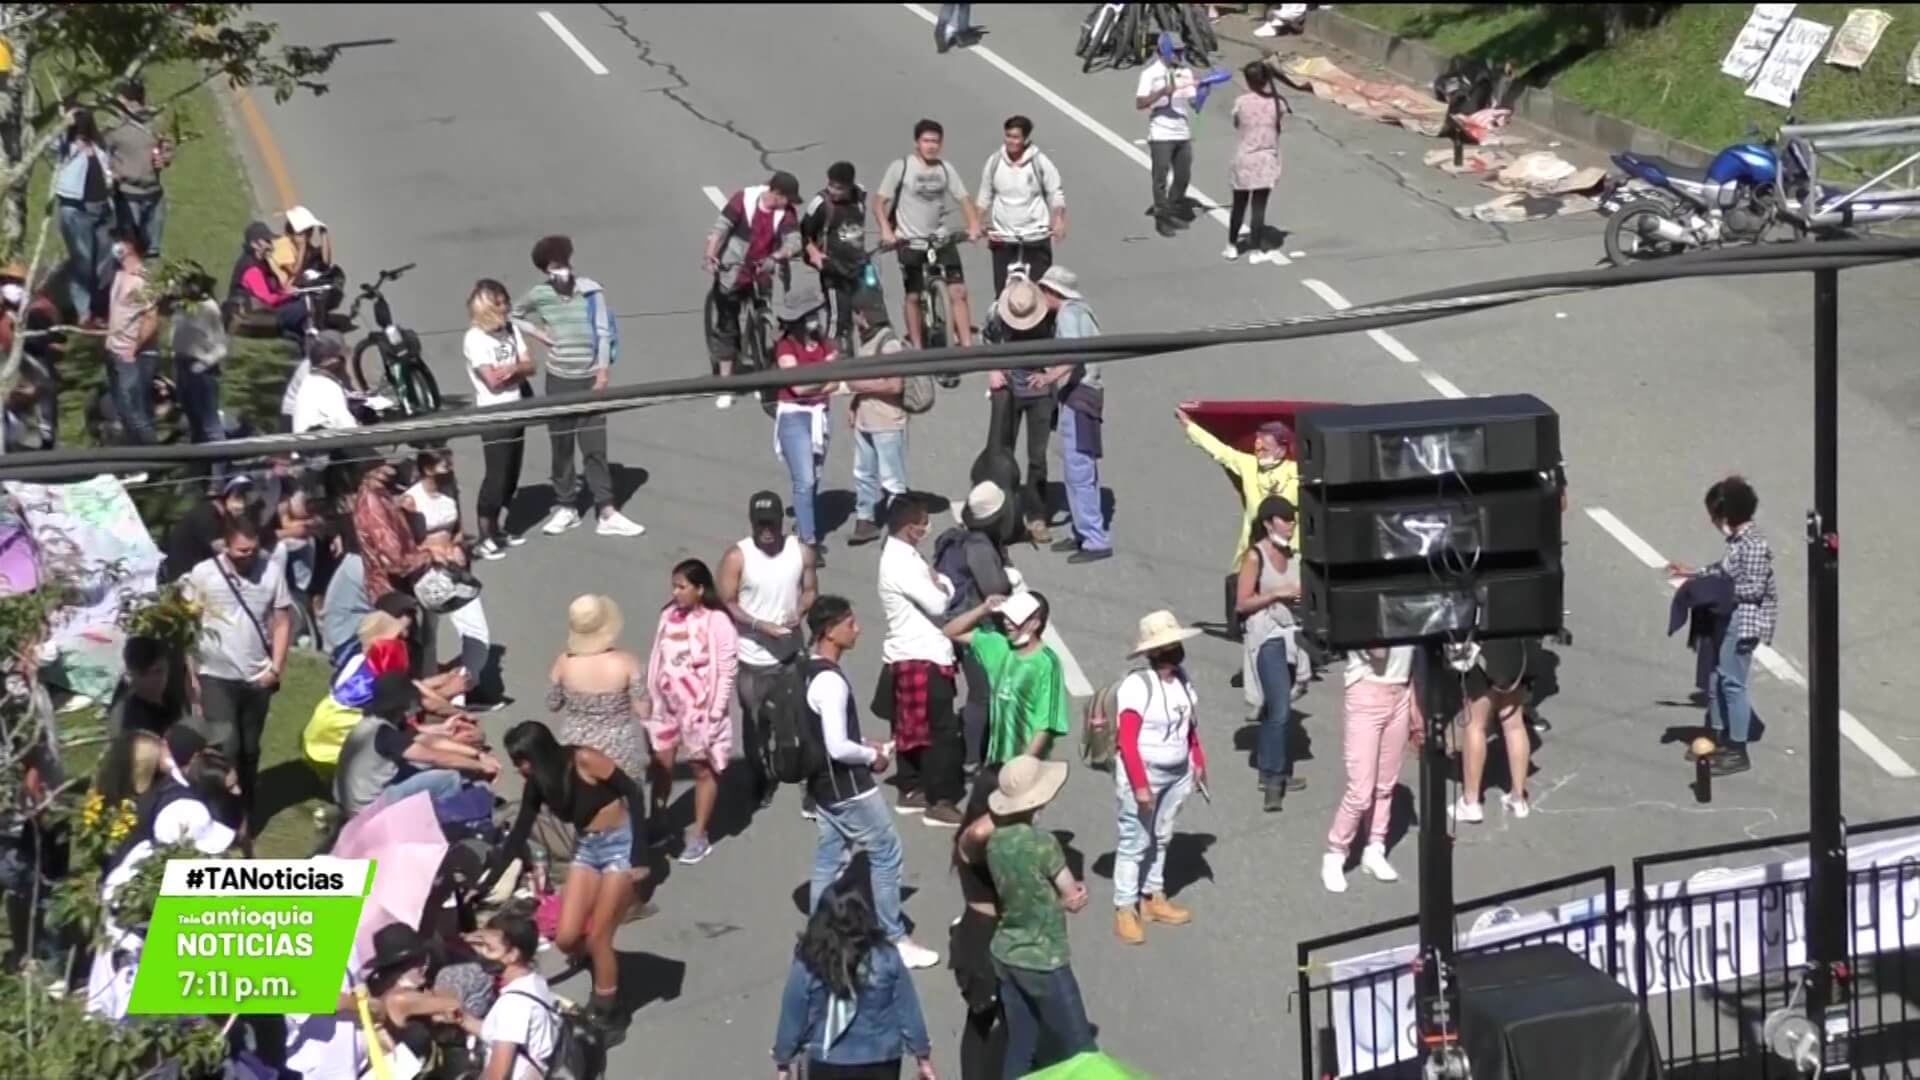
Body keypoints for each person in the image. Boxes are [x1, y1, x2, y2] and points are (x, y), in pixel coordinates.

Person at [802, 595, 942, 970]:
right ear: (829, 632)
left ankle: (818, 935)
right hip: (850, 788)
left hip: (822, 787)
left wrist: (864, 743)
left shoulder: (806, 670)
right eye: (850, 623)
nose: (857, 628)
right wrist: (872, 756)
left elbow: (823, 734)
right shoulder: (831, 682)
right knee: (886, 853)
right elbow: (836, 745)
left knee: (829, 861)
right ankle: (893, 937)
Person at [486, 720, 648, 1034]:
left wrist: (640, 854)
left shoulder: (584, 760)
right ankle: (604, 967)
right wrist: (490, 878)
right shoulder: (539, 782)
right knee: (567, 937)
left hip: (620, 844)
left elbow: (633, 792)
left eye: (522, 760)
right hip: (587, 848)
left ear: (540, 753)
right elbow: (520, 829)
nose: (519, 768)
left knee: (600, 936)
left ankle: (610, 1010)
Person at [515, 235, 644, 538]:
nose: (559, 271)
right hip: (558, 379)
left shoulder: (590, 290)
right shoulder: (539, 294)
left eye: (562, 264)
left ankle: (607, 509)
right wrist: (539, 333)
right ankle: (566, 506)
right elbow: (514, 314)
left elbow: (602, 332)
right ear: (545, 271)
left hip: (589, 379)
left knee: (594, 447)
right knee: (561, 445)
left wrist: (602, 373)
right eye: (552, 268)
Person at [985, 755, 1095, 1074]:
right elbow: (1070, 895)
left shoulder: (995, 843)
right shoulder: (1043, 844)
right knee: (1082, 1050)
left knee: (1021, 1043)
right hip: (1044, 958)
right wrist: (1075, 897)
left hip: (1006, 952)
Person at [180, 515, 291, 829]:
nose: (249, 556)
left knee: (250, 748)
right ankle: (221, 816)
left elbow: (281, 620)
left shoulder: (271, 571)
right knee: (226, 746)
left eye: (253, 549)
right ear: (225, 546)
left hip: (258, 675)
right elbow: (188, 624)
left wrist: (277, 667)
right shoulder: (203, 574)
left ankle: (247, 812)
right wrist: (191, 675)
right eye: (242, 550)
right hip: (215, 672)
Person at [772, 873, 937, 1080]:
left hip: (826, 1059)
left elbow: (793, 1013)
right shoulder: (886, 957)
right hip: (880, 1058)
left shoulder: (808, 961)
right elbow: (908, 1010)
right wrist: (922, 1056)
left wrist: (783, 1060)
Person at [1666, 475, 1776, 778]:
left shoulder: (1754, 545)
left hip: (1742, 619)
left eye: (1715, 516)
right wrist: (1695, 574)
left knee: (1732, 683)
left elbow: (1753, 588)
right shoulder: (1738, 542)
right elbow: (1723, 569)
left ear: (1726, 516)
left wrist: (1713, 590)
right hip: (1726, 616)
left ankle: (1737, 748)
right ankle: (1716, 734)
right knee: (1715, 678)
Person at [720, 491, 819, 810]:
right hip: (752, 660)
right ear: (752, 523)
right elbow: (727, 602)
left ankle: (809, 784)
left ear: (781, 522)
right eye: (760, 524)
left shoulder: (800, 551)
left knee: (802, 724)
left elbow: (811, 590)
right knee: (756, 728)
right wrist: (759, 625)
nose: (767, 530)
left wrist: (800, 612)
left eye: (772, 524)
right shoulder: (738, 557)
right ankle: (762, 779)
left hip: (791, 656)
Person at [1112, 610, 1206, 944]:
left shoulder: (1182, 679)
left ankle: (1152, 897)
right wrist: (1139, 785)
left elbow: (1188, 726)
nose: (1175, 649)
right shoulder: (1137, 685)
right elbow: (1126, 740)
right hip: (1146, 775)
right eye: (1168, 645)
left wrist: (1197, 759)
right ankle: (1125, 907)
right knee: (1135, 841)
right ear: (1153, 651)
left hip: (1177, 773)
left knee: (1162, 836)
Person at [875, 496, 969, 827]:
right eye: (923, 522)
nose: (927, 527)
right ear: (910, 528)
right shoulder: (900, 563)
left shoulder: (904, 554)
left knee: (908, 726)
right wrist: (941, 584)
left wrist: (938, 581)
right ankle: (940, 800)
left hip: (913, 655)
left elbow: (939, 583)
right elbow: (938, 601)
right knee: (940, 732)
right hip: (922, 656)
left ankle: (911, 787)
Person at [643, 559, 739, 865]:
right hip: (666, 705)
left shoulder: (718, 622)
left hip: (700, 709)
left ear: (700, 589)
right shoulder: (667, 615)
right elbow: (657, 656)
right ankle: (657, 820)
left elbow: (726, 670)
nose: (676, 592)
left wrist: (716, 710)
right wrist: (650, 695)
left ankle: (699, 834)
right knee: (661, 763)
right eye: (674, 586)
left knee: (702, 767)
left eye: (682, 587)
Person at [1175, 405, 1299, 630]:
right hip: (1253, 543)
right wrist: (1189, 426)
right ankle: (1241, 625)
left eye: (1265, 447)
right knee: (1242, 582)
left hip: (1290, 547)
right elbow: (1220, 451)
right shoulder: (1248, 464)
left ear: (1281, 450)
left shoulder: (1297, 472)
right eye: (1257, 446)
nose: (1258, 450)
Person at [947, 590, 1068, 809]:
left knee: (1012, 831)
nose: (1008, 623)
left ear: (1034, 624)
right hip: (993, 763)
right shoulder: (998, 645)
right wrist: (983, 608)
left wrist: (1024, 766)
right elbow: (951, 631)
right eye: (1006, 616)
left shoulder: (1047, 664)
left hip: (1025, 765)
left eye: (1015, 619)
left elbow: (1046, 723)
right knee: (973, 832)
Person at [876, 120, 982, 351]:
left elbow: (963, 199)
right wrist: (886, 230)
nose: (931, 146)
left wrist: (973, 225)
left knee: (958, 291)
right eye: (926, 141)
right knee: (913, 296)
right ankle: (917, 346)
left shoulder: (945, 169)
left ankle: (967, 346)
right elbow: (879, 202)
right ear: (917, 143)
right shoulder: (901, 167)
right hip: (910, 241)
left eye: (935, 141)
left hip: (940, 239)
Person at [1322, 646, 1419, 893]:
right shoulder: (1365, 606)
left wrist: (1415, 702)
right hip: (1366, 691)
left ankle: (1375, 848)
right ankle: (1335, 854)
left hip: (1401, 691)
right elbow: (1379, 652)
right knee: (1360, 791)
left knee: (1386, 785)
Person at [703, 171, 803, 410]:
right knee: (727, 326)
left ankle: (760, 378)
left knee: (763, 326)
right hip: (733, 271)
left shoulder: (785, 213)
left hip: (761, 273)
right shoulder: (744, 200)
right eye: (787, 198)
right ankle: (727, 385)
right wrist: (710, 255)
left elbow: (794, 241)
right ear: (776, 194)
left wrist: (778, 255)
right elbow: (721, 229)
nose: (790, 203)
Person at [334, 673, 499, 817]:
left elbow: (420, 738)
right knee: (449, 778)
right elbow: (436, 757)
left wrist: (476, 753)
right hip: (366, 810)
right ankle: (447, 821)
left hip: (349, 800)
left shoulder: (373, 722)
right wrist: (480, 766)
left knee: (419, 765)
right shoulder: (387, 735)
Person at [1237, 496, 1309, 810]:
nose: (1291, 525)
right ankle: (1274, 782)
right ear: (1268, 523)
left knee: (1275, 709)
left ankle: (1268, 770)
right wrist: (1277, 593)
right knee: (1279, 709)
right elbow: (1242, 603)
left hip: (1292, 637)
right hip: (1267, 637)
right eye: (1285, 519)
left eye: (1293, 519)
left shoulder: (1292, 556)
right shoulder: (1255, 556)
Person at [403, 448, 492, 701]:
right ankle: (435, 694)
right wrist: (433, 553)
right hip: (427, 574)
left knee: (476, 629)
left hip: (455, 570)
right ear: (427, 468)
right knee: (429, 635)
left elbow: (458, 531)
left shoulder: (451, 492)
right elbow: (406, 543)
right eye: (445, 466)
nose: (450, 471)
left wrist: (457, 548)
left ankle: (466, 684)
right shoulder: (411, 500)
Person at [941, 481, 1019, 768]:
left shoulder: (970, 539)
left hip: (967, 623)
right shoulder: (980, 547)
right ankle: (973, 757)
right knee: (982, 693)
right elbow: (994, 589)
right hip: (972, 627)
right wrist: (1009, 577)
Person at [1034, 267, 1108, 562]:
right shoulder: (1082, 310)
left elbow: (1075, 353)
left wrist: (1049, 377)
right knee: (1077, 469)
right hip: (1082, 394)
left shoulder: (1067, 313)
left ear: (1054, 292)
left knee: (1079, 470)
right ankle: (1082, 531)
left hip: (1080, 396)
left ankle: (1094, 539)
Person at [547, 594, 651, 796]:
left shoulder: (564, 663)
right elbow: (644, 710)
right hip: (618, 748)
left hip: (577, 747)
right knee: (626, 802)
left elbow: (552, 703)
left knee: (584, 804)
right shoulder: (626, 662)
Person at [464, 278, 535, 559]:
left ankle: (498, 529)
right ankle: (485, 535)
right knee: (496, 476)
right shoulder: (475, 338)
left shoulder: (510, 330)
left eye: (506, 302)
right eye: (500, 303)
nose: (506, 308)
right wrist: (514, 369)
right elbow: (493, 381)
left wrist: (514, 369)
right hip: (494, 413)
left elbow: (530, 366)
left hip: (516, 407)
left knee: (511, 474)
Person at [986, 278, 1058, 543]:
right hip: (1008, 390)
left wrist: (1052, 373)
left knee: (1037, 458)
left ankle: (1037, 515)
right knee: (1003, 453)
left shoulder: (1050, 318)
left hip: (1039, 392)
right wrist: (993, 370)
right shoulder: (996, 314)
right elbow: (988, 342)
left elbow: (1065, 347)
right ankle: (1001, 513)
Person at [772, 279, 839, 557]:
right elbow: (798, 386)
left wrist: (821, 379)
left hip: (819, 415)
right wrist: (825, 377)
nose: (815, 319)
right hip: (794, 417)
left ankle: (804, 527)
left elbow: (837, 380)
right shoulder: (785, 347)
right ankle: (808, 543)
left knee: (816, 476)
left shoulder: (825, 343)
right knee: (805, 481)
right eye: (809, 315)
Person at [458, 914, 558, 1080]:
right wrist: (462, 1019)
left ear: (512, 954)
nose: (482, 953)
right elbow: (500, 1032)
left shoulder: (513, 1005)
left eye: (489, 949)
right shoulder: (533, 981)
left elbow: (497, 1074)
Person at [949, 792, 1008, 1078]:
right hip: (982, 942)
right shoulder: (970, 843)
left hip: (981, 935)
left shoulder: (985, 842)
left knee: (985, 1019)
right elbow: (979, 830)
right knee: (988, 1018)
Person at [977, 116, 1066, 296]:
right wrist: (976, 221)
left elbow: (1055, 193)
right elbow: (984, 195)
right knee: (1002, 295)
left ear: (1025, 140)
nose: (1011, 141)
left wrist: (1058, 220)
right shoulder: (994, 162)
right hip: (1004, 237)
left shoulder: (1039, 162)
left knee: (1040, 295)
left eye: (1016, 137)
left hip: (1035, 235)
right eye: (1008, 136)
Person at [845, 303, 910, 546]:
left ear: (864, 314)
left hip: (886, 421)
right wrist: (854, 404)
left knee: (892, 479)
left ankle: (900, 526)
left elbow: (895, 386)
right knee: (862, 473)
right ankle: (865, 521)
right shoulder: (866, 341)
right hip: (865, 420)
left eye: (855, 313)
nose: (853, 318)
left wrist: (859, 386)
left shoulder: (888, 344)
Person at [1450, 639, 1535, 822]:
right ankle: (1518, 797)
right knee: (1514, 724)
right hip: (1518, 650)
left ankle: (1471, 801)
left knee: (1475, 724)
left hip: (1485, 651)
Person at [802, 162, 881, 357]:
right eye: (831, 185)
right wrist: (813, 252)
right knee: (838, 320)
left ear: (850, 185)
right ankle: (833, 363)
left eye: (839, 188)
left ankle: (862, 356)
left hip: (858, 266)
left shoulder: (860, 194)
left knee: (870, 314)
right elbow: (803, 233)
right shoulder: (820, 203)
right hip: (833, 270)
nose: (833, 191)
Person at [352, 457, 450, 606]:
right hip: (390, 591)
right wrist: (429, 555)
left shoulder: (380, 493)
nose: (391, 467)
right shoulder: (372, 504)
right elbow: (395, 561)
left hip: (400, 586)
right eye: (383, 462)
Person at [1136, 33, 1200, 238]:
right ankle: (1162, 218)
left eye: (1182, 51)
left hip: (1182, 130)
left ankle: (1172, 209)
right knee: (1160, 177)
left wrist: (1203, 92)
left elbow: (1194, 104)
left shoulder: (1185, 72)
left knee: (1183, 176)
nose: (1180, 55)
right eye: (1176, 51)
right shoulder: (1150, 74)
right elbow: (1140, 103)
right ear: (1164, 51)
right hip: (1161, 132)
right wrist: (1163, 92)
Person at [54, 109, 115, 324]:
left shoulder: (98, 147)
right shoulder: (65, 148)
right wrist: (63, 124)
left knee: (104, 260)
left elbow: (107, 171)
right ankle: (84, 313)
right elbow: (50, 143)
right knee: (83, 261)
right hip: (76, 210)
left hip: (102, 209)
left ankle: (99, 305)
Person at [1226, 62, 1289, 262]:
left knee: (1239, 204)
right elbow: (1279, 125)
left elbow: (1237, 124)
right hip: (1266, 159)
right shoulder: (1278, 103)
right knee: (1259, 206)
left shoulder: (1241, 102)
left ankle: (1232, 245)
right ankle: (1255, 248)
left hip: (1244, 158)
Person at [102, 226, 159, 444]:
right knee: (122, 410)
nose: (115, 246)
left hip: (132, 357)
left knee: (137, 414)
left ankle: (156, 461)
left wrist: (133, 348)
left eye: (120, 241)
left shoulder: (143, 280)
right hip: (113, 352)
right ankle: (136, 458)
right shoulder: (118, 274)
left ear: (131, 246)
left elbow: (151, 318)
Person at [0, 263, 64, 450]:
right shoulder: (5, 313)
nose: (8, 286)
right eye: (5, 281)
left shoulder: (38, 308)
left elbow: (49, 340)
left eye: (14, 282)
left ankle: (46, 438)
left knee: (44, 396)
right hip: (11, 370)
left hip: (35, 366)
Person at [105, 79, 170, 257]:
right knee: (129, 252)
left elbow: (168, 148)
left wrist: (165, 158)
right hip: (127, 196)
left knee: (151, 251)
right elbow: (102, 154)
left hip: (154, 195)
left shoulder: (155, 121)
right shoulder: (114, 125)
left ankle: (145, 283)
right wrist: (110, 173)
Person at [169, 267, 229, 447]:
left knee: (210, 425)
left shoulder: (210, 308)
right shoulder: (182, 306)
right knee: (193, 423)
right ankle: (200, 467)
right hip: (182, 367)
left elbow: (221, 346)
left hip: (201, 370)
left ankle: (220, 471)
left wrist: (204, 364)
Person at [226, 220, 306, 341]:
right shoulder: (251, 268)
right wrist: (287, 294)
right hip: (251, 316)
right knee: (302, 308)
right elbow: (267, 299)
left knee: (300, 302)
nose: (271, 245)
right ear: (254, 244)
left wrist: (287, 292)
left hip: (261, 309)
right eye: (267, 241)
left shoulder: (261, 261)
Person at [106, 635, 183, 736]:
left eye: (163, 670)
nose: (161, 678)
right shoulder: (131, 718)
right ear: (134, 674)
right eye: (155, 671)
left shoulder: (168, 700)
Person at [289, 331, 360, 433]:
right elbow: (348, 427)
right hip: (318, 445)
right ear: (332, 361)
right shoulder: (326, 387)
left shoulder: (313, 379)